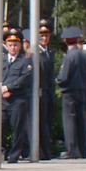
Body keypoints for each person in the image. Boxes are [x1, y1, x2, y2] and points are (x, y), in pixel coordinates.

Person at [57, 27, 86, 159]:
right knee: (80, 121)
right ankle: (82, 149)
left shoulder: (70, 56)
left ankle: (72, 149)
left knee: (70, 121)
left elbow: (64, 76)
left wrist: (57, 81)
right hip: (82, 90)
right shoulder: (83, 56)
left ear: (65, 40)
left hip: (69, 91)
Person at [0, 28, 33, 163]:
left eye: (15, 45)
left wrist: (8, 88)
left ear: (20, 45)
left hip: (17, 99)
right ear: (6, 45)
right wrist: (0, 89)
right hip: (2, 99)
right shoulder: (1, 60)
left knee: (17, 128)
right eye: (10, 45)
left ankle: (14, 155)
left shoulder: (25, 61)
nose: (13, 48)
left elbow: (24, 79)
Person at [34, 19, 57, 160]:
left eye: (47, 35)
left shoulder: (50, 52)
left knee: (47, 122)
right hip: (39, 92)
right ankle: (42, 151)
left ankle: (46, 150)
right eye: (41, 35)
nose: (44, 38)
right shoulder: (35, 52)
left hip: (48, 93)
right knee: (40, 123)